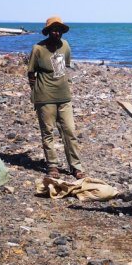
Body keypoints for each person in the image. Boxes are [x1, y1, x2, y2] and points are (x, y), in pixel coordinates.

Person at [27, 17, 85, 180]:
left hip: (64, 96)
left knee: (70, 131)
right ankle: (52, 165)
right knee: (48, 132)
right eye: (53, 29)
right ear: (48, 31)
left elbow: (63, 66)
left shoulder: (65, 45)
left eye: (59, 29)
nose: (57, 32)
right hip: (44, 97)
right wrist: (36, 91)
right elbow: (31, 73)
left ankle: (75, 167)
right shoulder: (38, 48)